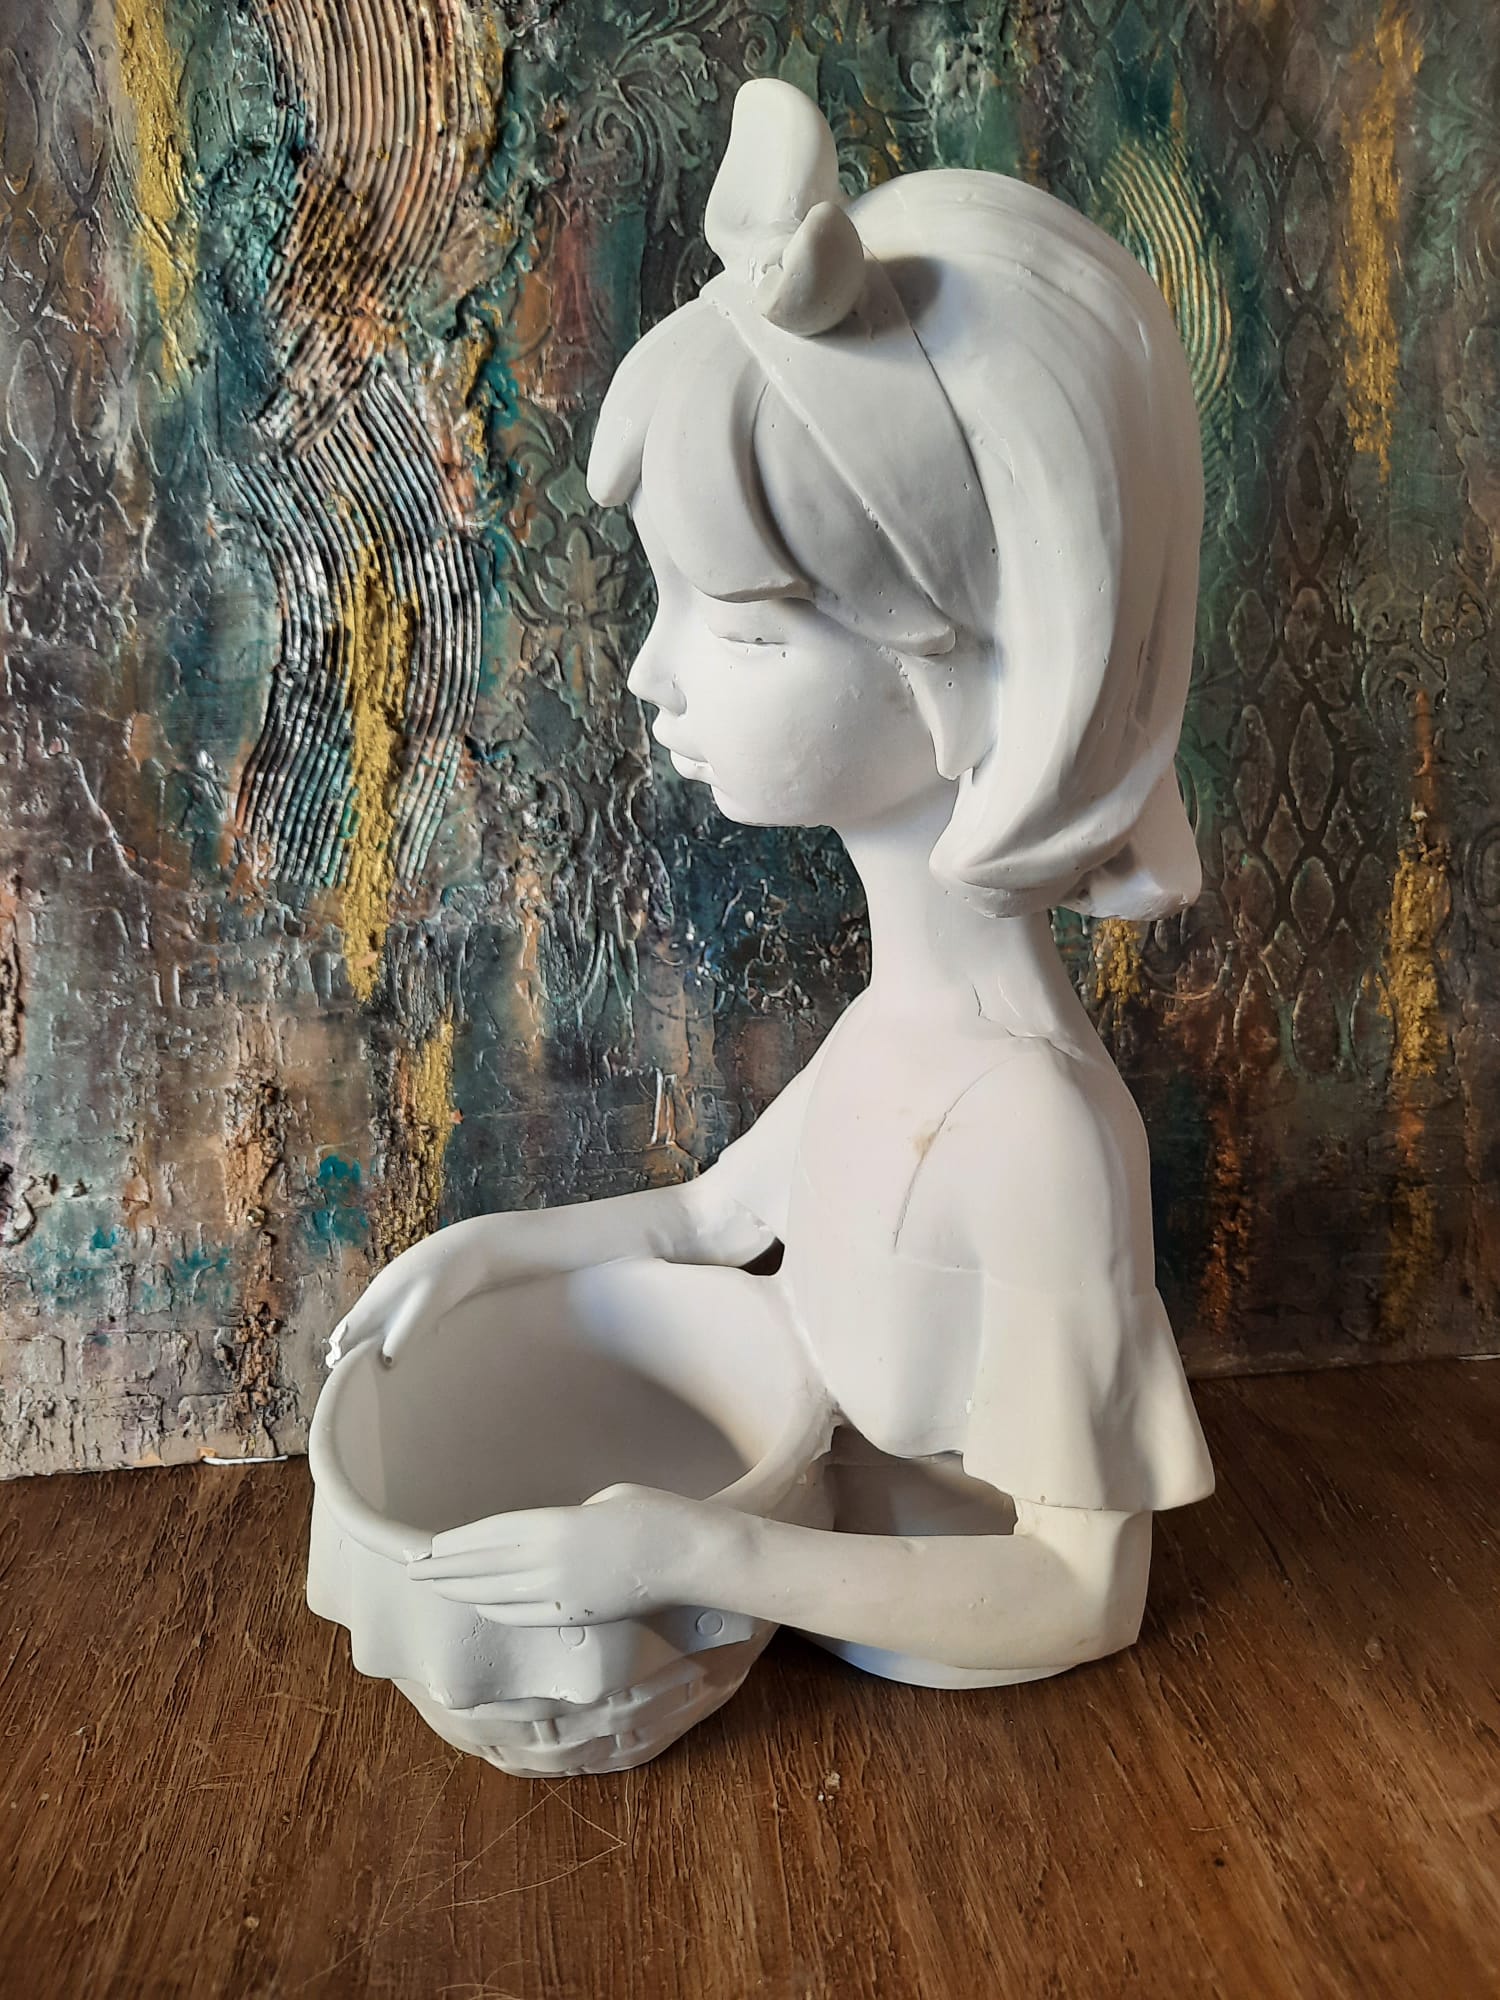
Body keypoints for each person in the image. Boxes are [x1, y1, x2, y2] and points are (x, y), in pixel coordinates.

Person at [332, 79, 1214, 1691]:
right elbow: (702, 1222)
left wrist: (687, 1552)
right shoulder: (899, 1036)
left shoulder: (1034, 1131)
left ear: (974, 676)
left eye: (737, 626)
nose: (650, 675)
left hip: (960, 1727)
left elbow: (1083, 1591)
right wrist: (490, 1252)